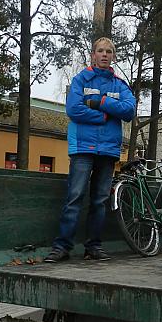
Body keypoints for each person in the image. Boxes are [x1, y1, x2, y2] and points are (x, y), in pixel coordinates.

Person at [44, 38, 137, 263]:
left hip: (108, 151)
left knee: (99, 200)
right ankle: (62, 247)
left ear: (113, 56)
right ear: (93, 54)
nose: (104, 55)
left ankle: (93, 247)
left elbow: (129, 110)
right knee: (75, 197)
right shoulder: (80, 80)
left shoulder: (120, 85)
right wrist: (105, 115)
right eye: (100, 51)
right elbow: (74, 110)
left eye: (109, 51)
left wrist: (100, 101)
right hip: (83, 148)